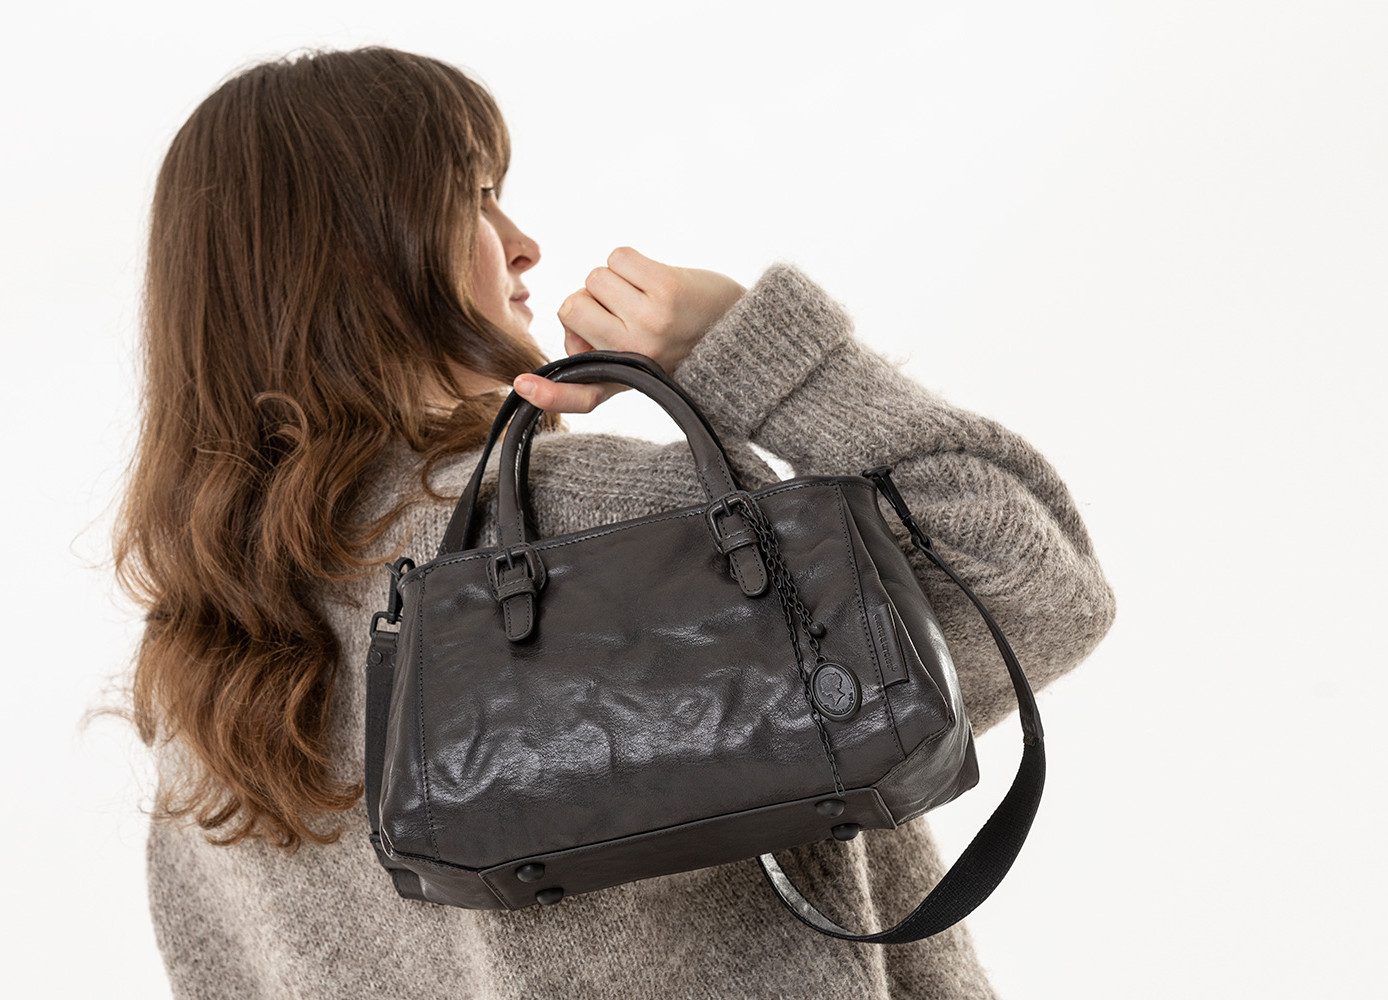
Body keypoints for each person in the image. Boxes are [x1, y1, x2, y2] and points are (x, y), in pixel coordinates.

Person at [112, 44, 1117, 1000]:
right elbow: (1037, 587)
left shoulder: (201, 664)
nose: (522, 243)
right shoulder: (601, 535)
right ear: (361, 258)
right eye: (472, 197)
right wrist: (750, 349)